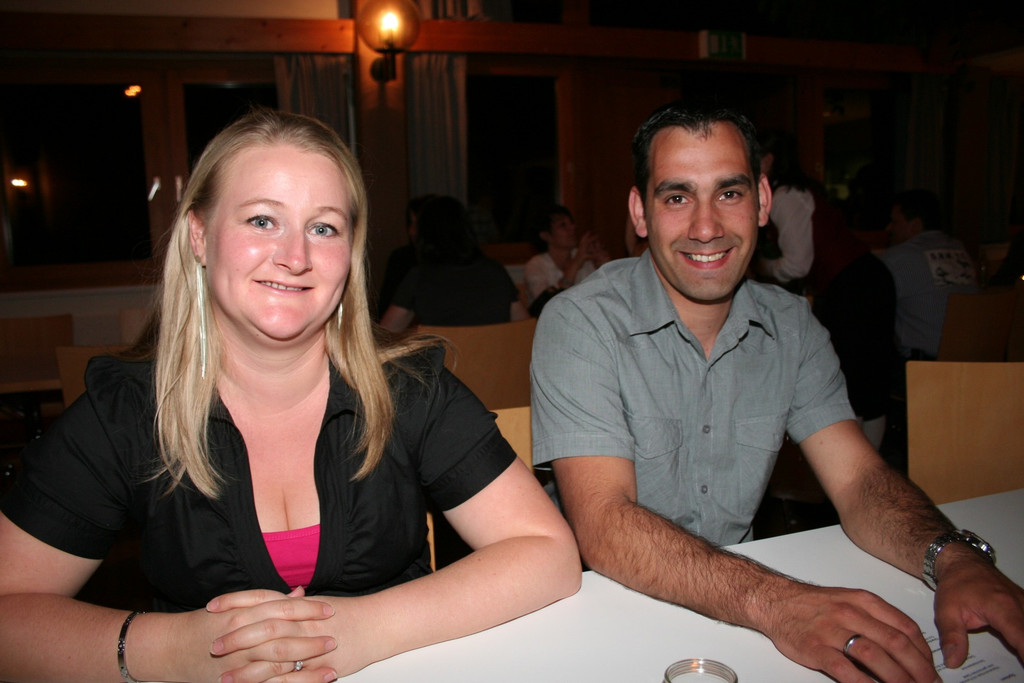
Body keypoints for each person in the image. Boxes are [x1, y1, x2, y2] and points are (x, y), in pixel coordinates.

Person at [0, 108, 580, 682]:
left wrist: (364, 630)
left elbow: (547, 552)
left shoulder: (409, 389)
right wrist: (174, 651)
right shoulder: (126, 411)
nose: (295, 257)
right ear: (199, 236)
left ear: (349, 253)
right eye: (261, 220)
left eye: (323, 228)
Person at [530, 99, 1024, 683]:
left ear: (763, 201)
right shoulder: (580, 321)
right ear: (641, 212)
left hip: (740, 606)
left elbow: (859, 479)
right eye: (677, 197)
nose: (706, 227)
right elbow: (604, 523)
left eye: (729, 193)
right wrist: (780, 603)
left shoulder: (792, 325)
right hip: (610, 615)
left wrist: (953, 557)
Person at [754, 129, 895, 449]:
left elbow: (797, 265)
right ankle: (865, 460)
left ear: (768, 160)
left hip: (855, 284)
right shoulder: (798, 191)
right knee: (868, 382)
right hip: (867, 277)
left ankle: (858, 463)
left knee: (857, 382)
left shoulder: (786, 196)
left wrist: (764, 267)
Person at [379, 195, 529, 332]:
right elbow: (525, 327)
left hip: (446, 354)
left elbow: (386, 332)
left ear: (425, 235)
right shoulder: (495, 271)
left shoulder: (419, 277)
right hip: (494, 353)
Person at [880, 188, 980, 360]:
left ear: (915, 226)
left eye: (894, 222)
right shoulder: (959, 249)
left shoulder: (898, 258)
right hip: (975, 359)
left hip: (926, 367)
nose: (889, 228)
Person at [523, 204, 610, 316]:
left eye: (571, 223)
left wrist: (603, 265)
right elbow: (548, 307)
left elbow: (603, 296)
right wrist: (576, 261)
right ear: (545, 235)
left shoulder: (584, 256)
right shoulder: (535, 265)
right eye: (563, 225)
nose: (572, 228)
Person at [375, 194, 436, 319]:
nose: (412, 231)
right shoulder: (400, 259)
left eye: (418, 224)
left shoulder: (426, 272)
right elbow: (384, 313)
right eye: (411, 223)